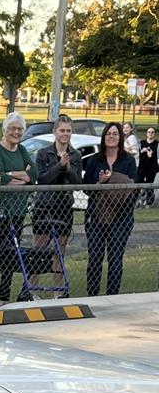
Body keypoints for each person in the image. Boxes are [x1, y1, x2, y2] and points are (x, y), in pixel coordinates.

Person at [0, 113, 37, 302]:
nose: (16, 132)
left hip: (18, 211)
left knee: (10, 253)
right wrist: (21, 176)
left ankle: (5, 294)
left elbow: (35, 174)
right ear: (4, 130)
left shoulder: (22, 151)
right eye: (12, 128)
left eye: (19, 129)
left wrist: (11, 175)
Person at [84, 121, 138, 296]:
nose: (112, 137)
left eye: (115, 134)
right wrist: (100, 184)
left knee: (115, 259)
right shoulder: (95, 160)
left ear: (120, 137)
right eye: (108, 134)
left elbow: (133, 188)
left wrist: (113, 179)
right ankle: (92, 296)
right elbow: (86, 187)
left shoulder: (128, 160)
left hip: (121, 217)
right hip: (96, 216)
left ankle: (112, 296)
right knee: (95, 258)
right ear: (103, 137)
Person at [31, 114, 82, 296]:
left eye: (68, 131)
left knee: (59, 251)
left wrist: (68, 167)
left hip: (64, 207)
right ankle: (33, 290)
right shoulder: (44, 153)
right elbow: (43, 179)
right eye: (62, 130)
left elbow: (78, 182)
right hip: (44, 206)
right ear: (54, 132)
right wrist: (59, 165)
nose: (65, 134)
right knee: (38, 250)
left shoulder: (75, 155)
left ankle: (58, 292)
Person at [138, 126, 158, 205]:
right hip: (142, 167)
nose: (150, 134)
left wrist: (151, 155)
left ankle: (149, 202)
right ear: (146, 134)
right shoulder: (142, 143)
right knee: (138, 182)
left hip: (151, 168)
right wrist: (142, 151)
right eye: (149, 132)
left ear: (154, 134)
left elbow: (157, 157)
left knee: (150, 184)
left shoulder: (157, 144)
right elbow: (137, 155)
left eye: (152, 132)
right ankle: (138, 200)